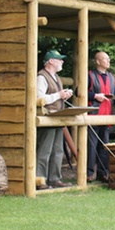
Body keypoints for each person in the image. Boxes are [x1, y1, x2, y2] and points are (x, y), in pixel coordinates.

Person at [36, 50, 74, 189]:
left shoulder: (56, 77)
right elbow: (39, 99)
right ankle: (39, 181)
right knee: (44, 151)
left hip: (57, 117)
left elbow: (55, 96)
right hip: (46, 117)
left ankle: (54, 179)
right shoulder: (41, 77)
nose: (62, 61)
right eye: (59, 59)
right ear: (51, 61)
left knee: (58, 150)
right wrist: (58, 95)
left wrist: (64, 95)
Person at [86, 51, 115, 183]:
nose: (108, 61)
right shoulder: (89, 75)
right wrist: (95, 96)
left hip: (107, 115)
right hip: (93, 115)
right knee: (91, 147)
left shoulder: (111, 77)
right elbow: (79, 91)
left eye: (108, 59)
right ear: (98, 61)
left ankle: (103, 173)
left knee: (104, 146)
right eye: (105, 59)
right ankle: (89, 173)